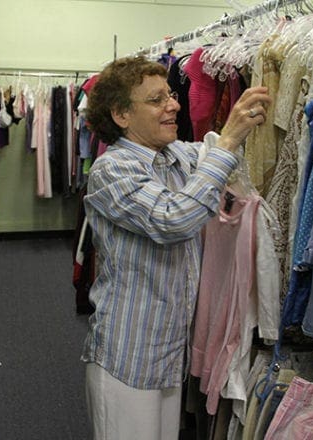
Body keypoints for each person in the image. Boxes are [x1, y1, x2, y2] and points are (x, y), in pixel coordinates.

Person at [81, 56, 271, 440]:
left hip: (168, 352)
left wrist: (239, 125)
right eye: (157, 100)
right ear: (121, 114)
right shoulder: (112, 170)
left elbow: (212, 156)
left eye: (170, 94)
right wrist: (229, 141)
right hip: (127, 355)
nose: (174, 105)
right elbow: (174, 218)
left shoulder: (175, 156)